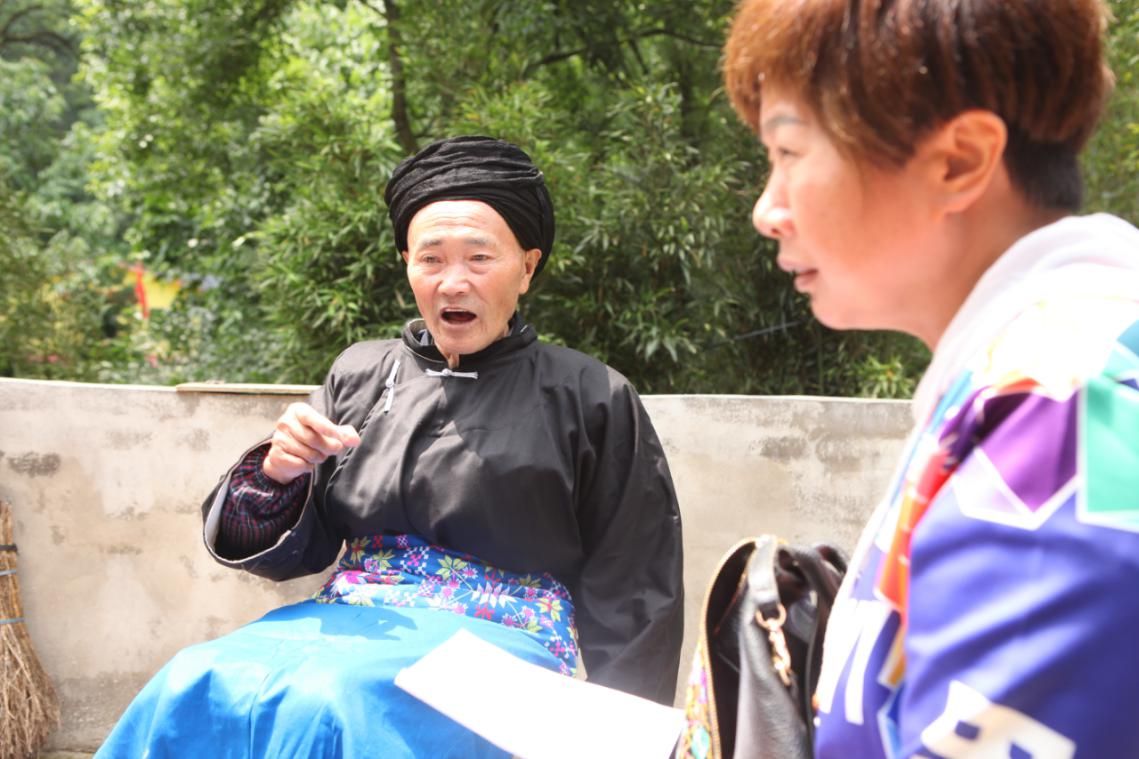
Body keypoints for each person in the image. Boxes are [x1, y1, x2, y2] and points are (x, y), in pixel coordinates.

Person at [97, 136, 684, 758]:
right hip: (347, 619)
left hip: (503, 639)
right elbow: (301, 548)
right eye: (430, 259)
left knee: (336, 703)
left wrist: (625, 739)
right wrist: (279, 472)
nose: (453, 282)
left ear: (527, 266)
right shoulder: (359, 373)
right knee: (197, 678)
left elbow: (635, 585)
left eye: (479, 258)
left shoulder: (591, 395)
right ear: (407, 263)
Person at [713, 0, 1139, 756]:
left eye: (789, 152)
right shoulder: (1033, 381)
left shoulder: (1061, 416)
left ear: (959, 162)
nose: (766, 210)